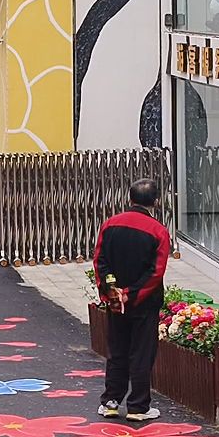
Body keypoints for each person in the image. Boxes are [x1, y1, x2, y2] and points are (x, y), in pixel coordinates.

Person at [93, 178, 172, 422]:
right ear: (156, 202)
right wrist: (132, 293)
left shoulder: (110, 224)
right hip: (144, 303)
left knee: (117, 350)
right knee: (141, 352)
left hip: (115, 301)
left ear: (130, 199)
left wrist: (111, 291)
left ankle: (111, 401)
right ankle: (138, 407)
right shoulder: (159, 231)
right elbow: (156, 272)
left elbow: (100, 261)